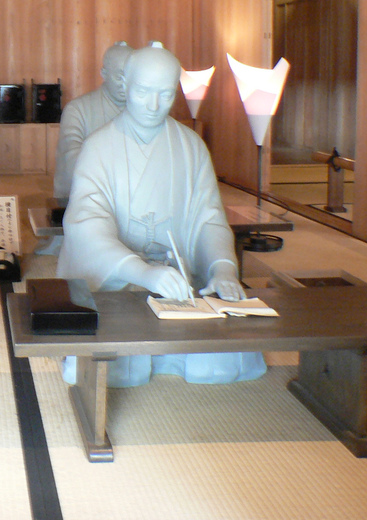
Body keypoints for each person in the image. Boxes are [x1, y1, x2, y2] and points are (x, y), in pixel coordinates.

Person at [56, 43, 266, 387]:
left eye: (165, 94)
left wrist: (222, 267)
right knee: (117, 360)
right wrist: (142, 272)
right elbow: (86, 226)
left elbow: (208, 218)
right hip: (117, 282)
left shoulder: (190, 146)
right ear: (126, 85)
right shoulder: (99, 147)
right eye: (143, 92)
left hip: (179, 278)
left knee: (222, 360)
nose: (154, 106)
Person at [52, 41, 133, 201]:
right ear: (104, 74)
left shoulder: (144, 112)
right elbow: (72, 160)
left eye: (131, 75)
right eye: (119, 76)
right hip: (86, 198)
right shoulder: (78, 110)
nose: (125, 83)